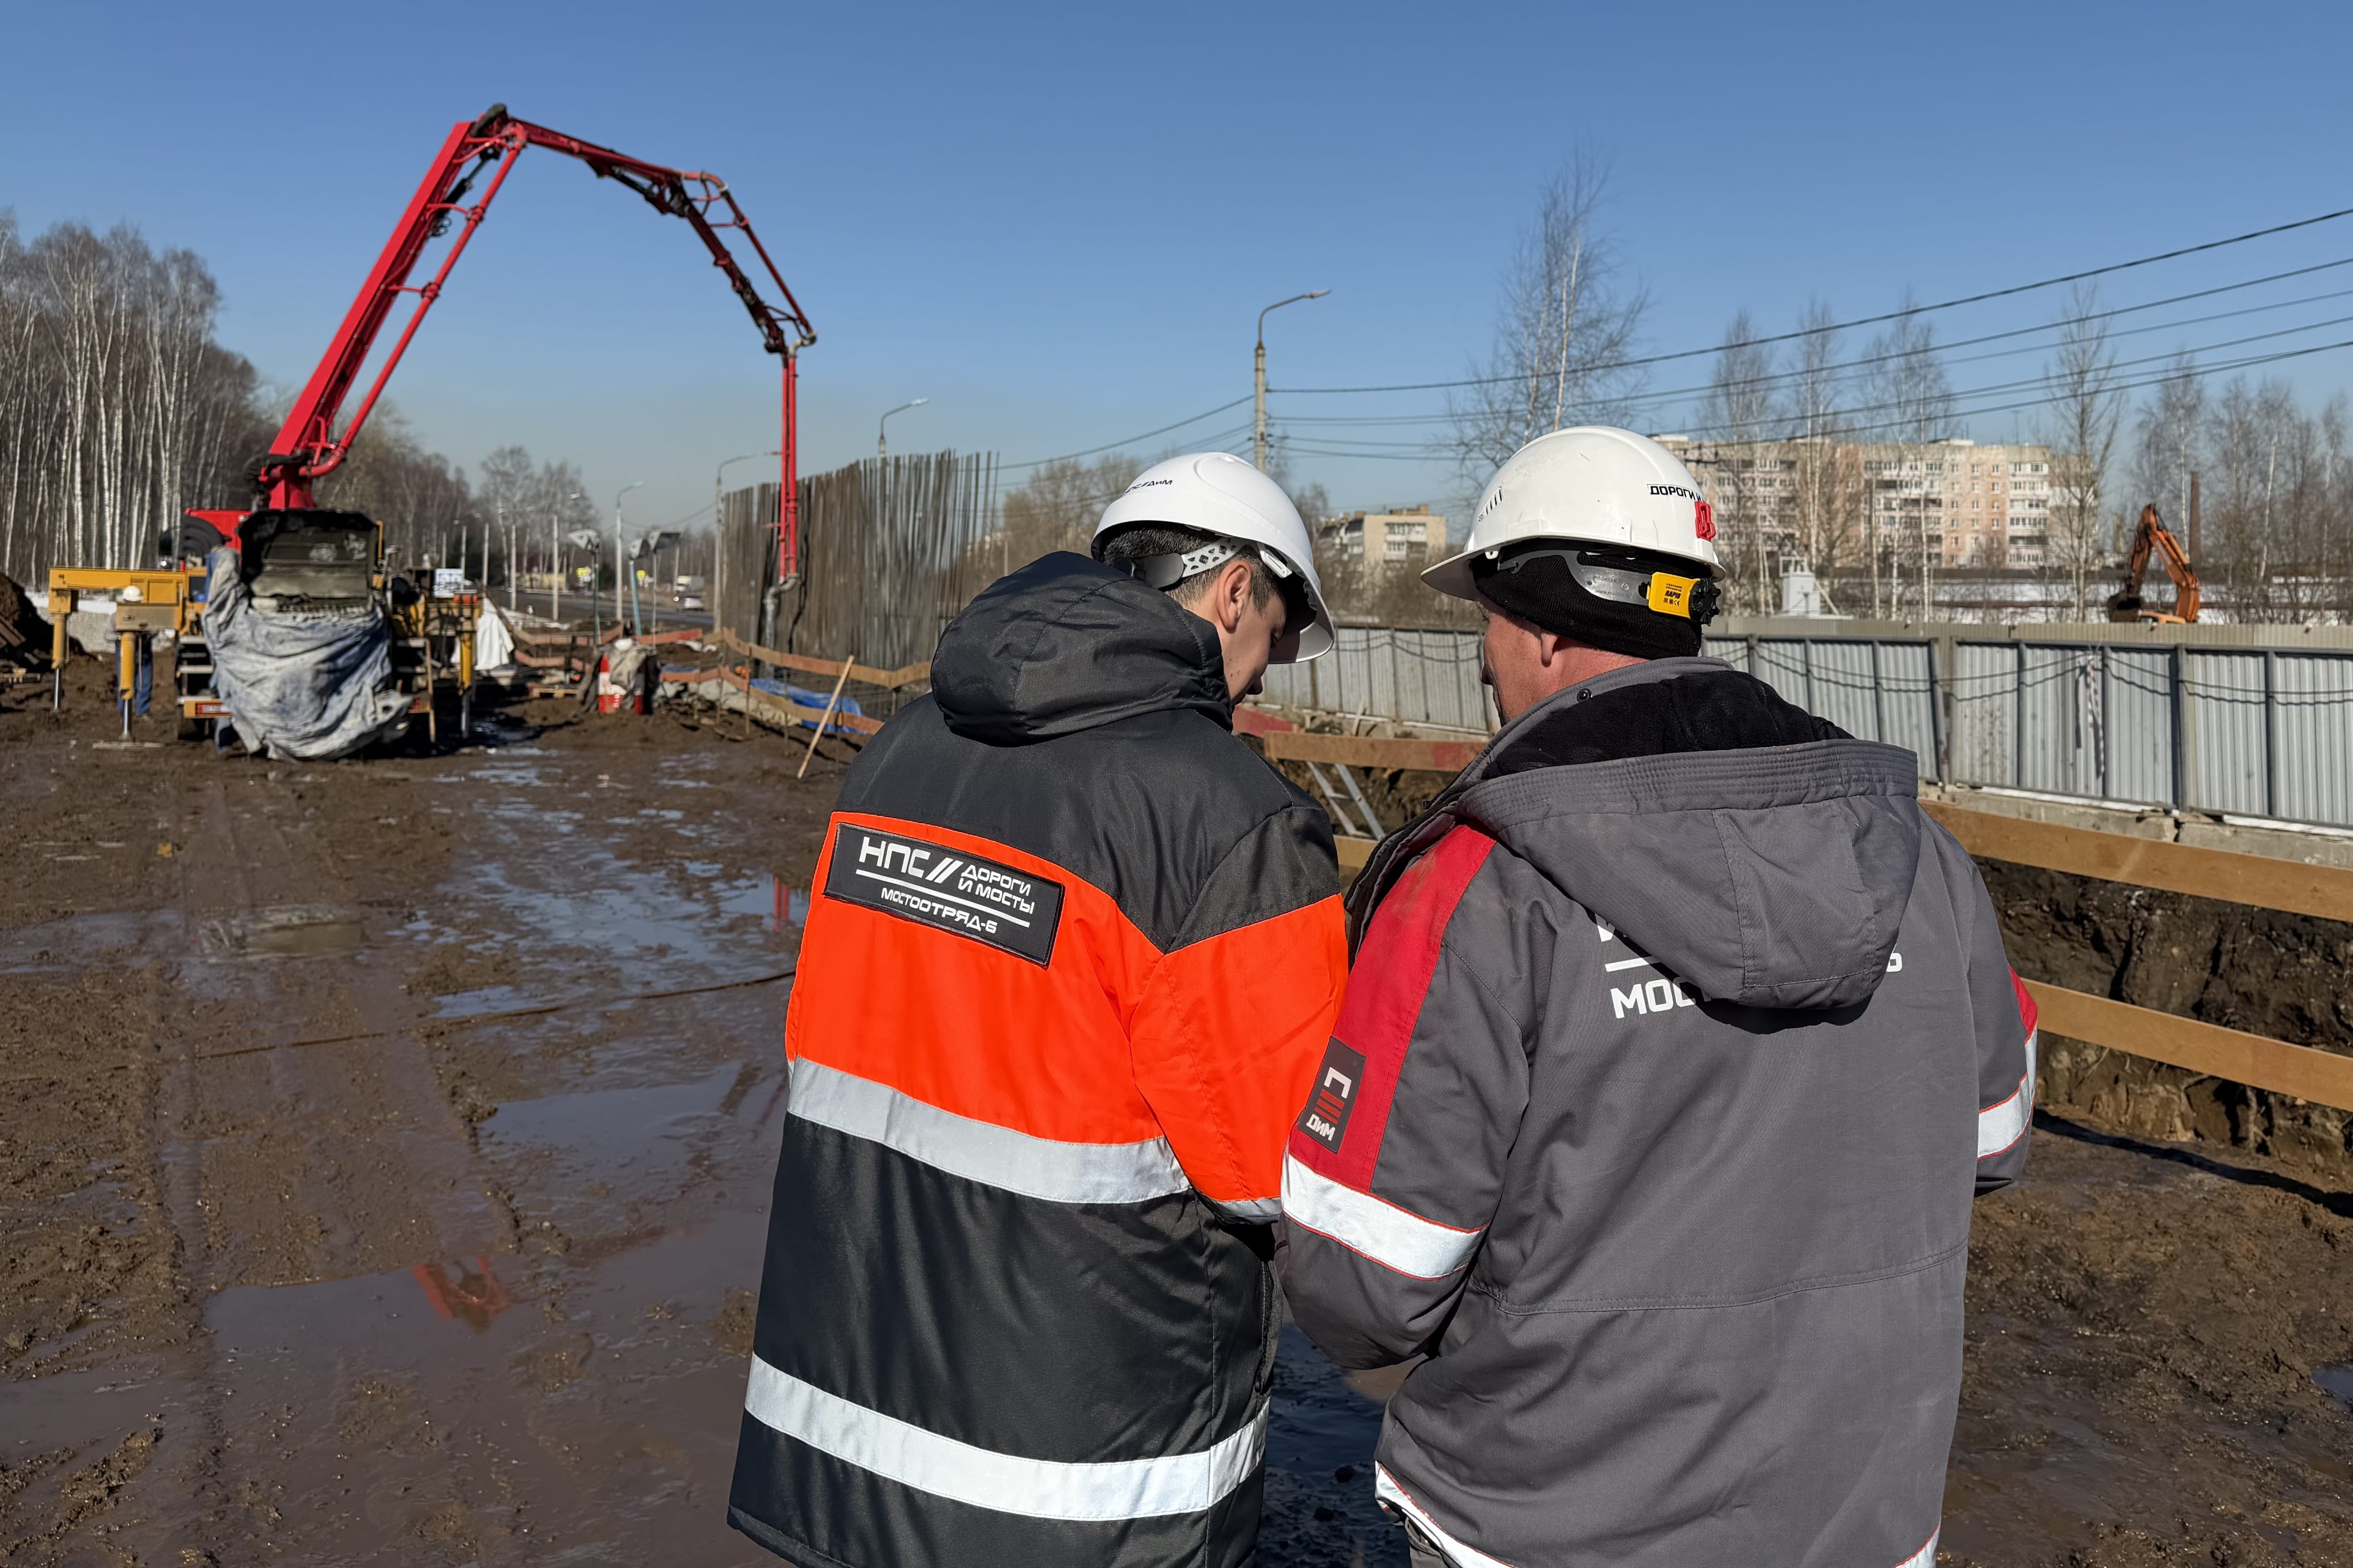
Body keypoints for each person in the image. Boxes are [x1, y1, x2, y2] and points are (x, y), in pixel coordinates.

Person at [1277, 427, 2038, 1568]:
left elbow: (1363, 1281)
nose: (1483, 659)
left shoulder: (1479, 883)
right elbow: (1994, 1133)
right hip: (1854, 1512)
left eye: (1486, 621)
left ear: (1540, 626)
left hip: (1549, 1525)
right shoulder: (1911, 855)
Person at [728, 451, 1352, 1568]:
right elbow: (1281, 1169)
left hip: (850, 1427)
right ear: (1233, 592)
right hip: (1077, 1474)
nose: (1263, 677)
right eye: (1276, 634)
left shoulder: (896, 756)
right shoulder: (1229, 821)